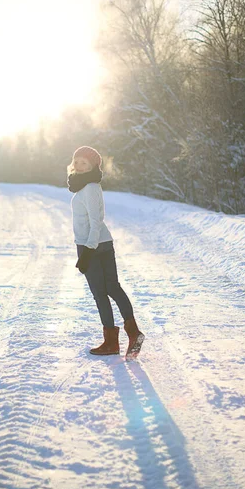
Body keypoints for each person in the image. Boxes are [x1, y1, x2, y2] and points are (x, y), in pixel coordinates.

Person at [67, 145, 145, 358]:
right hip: (100, 243)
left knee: (101, 293)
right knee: (112, 288)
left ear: (93, 166)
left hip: (92, 245)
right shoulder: (84, 186)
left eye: (85, 163)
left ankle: (113, 342)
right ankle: (132, 334)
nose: (80, 166)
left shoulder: (90, 187)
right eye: (77, 162)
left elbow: (95, 220)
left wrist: (88, 251)